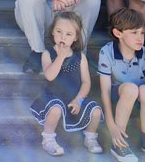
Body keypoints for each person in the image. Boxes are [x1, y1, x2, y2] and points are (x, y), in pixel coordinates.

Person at [98, 8, 145, 162]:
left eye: (142, 32)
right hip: (118, 99)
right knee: (131, 88)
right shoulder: (107, 52)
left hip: (140, 100)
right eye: (134, 33)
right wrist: (111, 125)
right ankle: (119, 143)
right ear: (118, 33)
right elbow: (105, 91)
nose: (140, 37)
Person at [29, 11, 103, 157]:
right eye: (59, 31)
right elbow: (50, 76)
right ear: (53, 32)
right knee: (56, 109)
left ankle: (90, 137)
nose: (63, 37)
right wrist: (61, 56)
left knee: (96, 111)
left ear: (75, 37)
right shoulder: (48, 54)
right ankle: (48, 139)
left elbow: (86, 82)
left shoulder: (80, 57)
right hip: (52, 97)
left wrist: (79, 100)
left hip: (74, 98)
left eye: (69, 34)